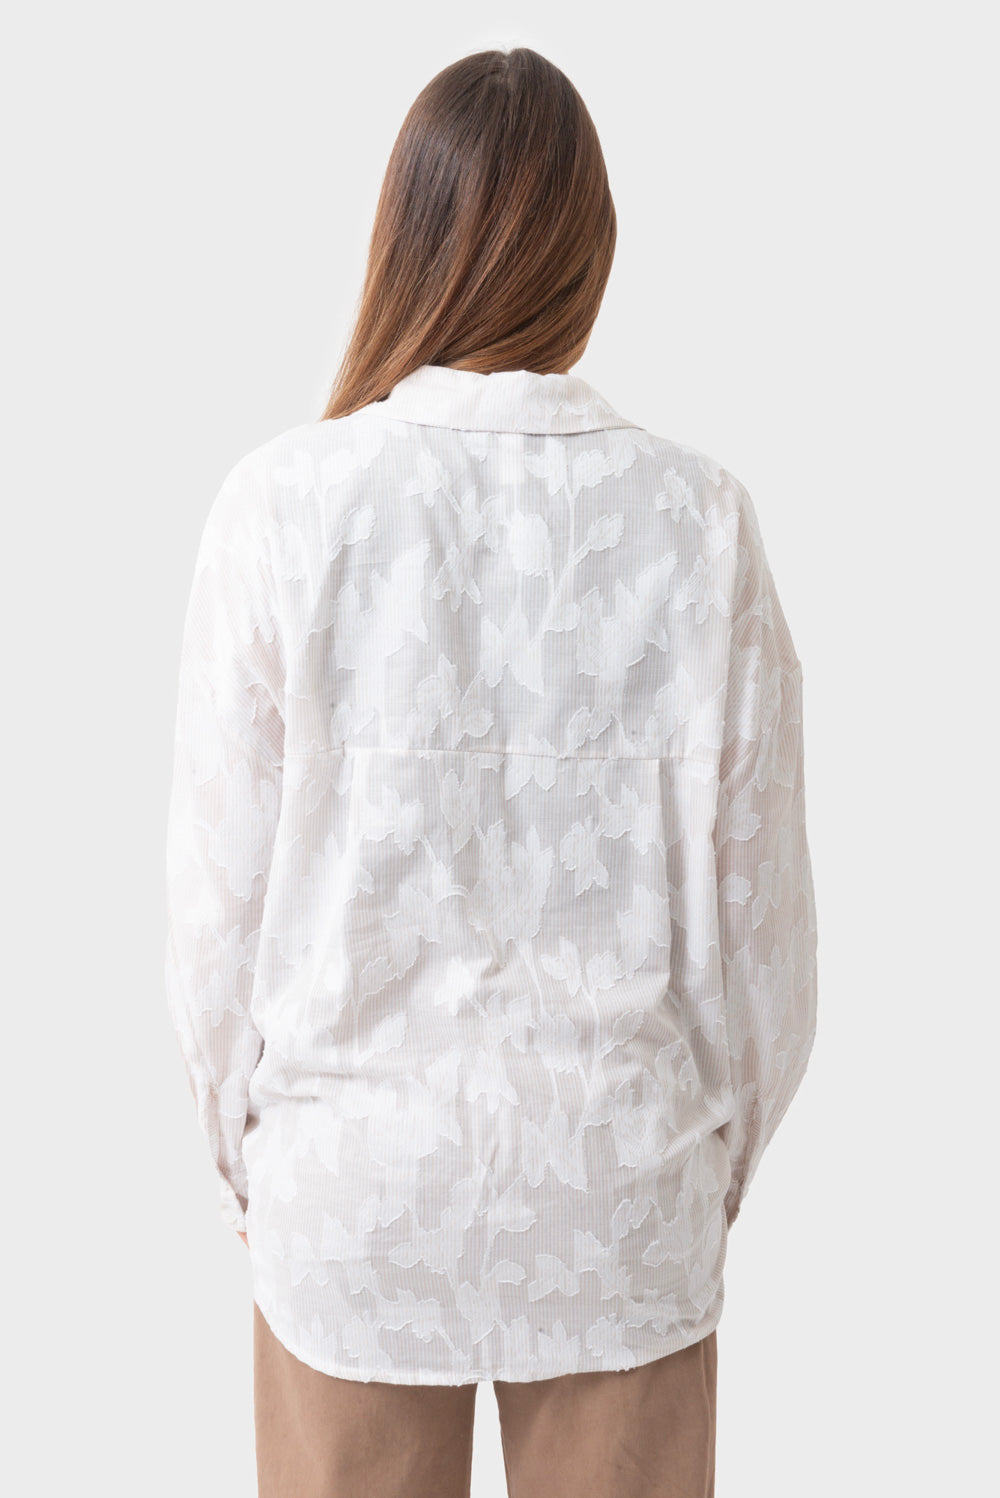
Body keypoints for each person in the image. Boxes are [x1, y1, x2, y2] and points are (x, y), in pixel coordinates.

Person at [164, 44, 818, 1498]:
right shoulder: (702, 523)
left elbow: (214, 920)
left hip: (352, 1199)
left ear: (404, 238)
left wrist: (261, 1166)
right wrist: (695, 1166)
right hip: (618, 1185)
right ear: (590, 251)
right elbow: (766, 936)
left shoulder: (279, 508)